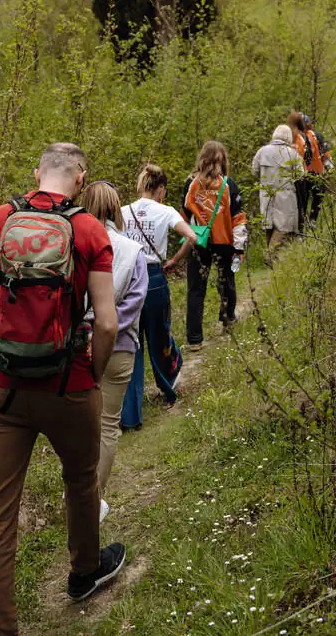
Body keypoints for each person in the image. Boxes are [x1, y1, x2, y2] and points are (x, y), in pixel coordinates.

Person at [0, 143, 125, 636]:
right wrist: (90, 378)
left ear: (37, 173)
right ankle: (84, 570)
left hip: (0, 387)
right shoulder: (90, 229)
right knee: (80, 479)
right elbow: (109, 326)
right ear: (80, 179)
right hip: (68, 382)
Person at [82, 179, 148, 523]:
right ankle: (92, 501)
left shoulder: (72, 246)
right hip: (119, 347)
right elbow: (135, 302)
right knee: (108, 425)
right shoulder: (132, 251)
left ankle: (77, 490)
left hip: (77, 346)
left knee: (80, 425)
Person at [119, 163, 197, 430]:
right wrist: (175, 258)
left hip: (127, 281)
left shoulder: (122, 212)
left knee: (131, 343)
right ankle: (168, 388)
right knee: (159, 336)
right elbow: (192, 236)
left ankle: (130, 415)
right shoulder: (166, 211)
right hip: (153, 278)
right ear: (161, 189)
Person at [182, 140, 248, 349]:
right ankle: (228, 319)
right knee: (226, 281)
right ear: (223, 161)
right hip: (224, 243)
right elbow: (238, 219)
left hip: (198, 241)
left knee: (195, 289)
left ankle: (194, 339)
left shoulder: (190, 184)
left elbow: (184, 216)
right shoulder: (229, 184)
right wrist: (239, 247)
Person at [251, 124, 304, 259]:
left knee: (269, 225)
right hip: (285, 195)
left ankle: (273, 260)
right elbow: (300, 174)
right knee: (284, 227)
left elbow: (254, 170)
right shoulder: (292, 154)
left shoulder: (262, 151)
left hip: (266, 193)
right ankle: (270, 256)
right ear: (288, 137)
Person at [300, 113, 331, 228]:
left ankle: (302, 223)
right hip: (317, 171)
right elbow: (326, 154)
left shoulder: (294, 138)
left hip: (301, 173)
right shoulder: (316, 136)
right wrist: (330, 168)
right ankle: (313, 220)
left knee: (302, 200)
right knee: (318, 196)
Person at [286, 112, 316, 231]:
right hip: (301, 174)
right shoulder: (303, 137)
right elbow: (309, 157)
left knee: (294, 204)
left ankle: (294, 229)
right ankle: (300, 230)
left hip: (288, 175)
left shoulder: (288, 137)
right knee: (301, 204)